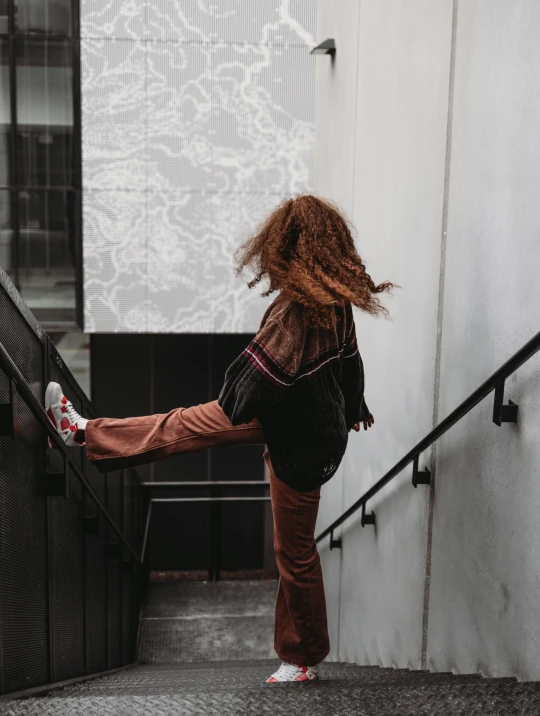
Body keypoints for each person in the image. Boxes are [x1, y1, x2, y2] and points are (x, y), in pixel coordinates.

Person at [44, 195, 393, 683]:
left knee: (293, 552)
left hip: (300, 442)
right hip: (303, 422)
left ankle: (302, 658)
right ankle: (82, 433)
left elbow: (241, 393)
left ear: (285, 246)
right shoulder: (331, 298)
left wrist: (253, 394)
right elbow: (350, 366)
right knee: (185, 426)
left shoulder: (297, 311)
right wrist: (356, 409)